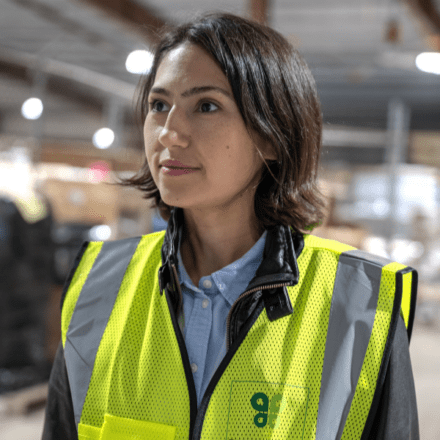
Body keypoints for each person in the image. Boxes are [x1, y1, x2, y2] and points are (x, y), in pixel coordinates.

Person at [42, 13, 419, 440]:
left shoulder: (360, 304)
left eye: (206, 106)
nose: (169, 133)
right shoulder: (98, 285)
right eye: (159, 105)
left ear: (273, 136)